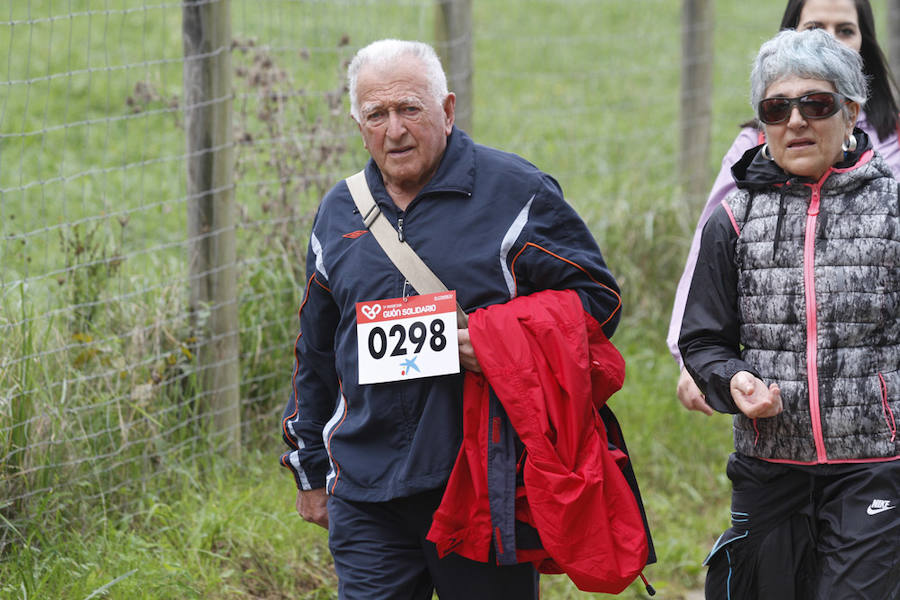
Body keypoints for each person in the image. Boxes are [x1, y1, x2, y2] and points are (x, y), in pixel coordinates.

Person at [278, 39, 631, 599]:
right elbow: (316, 352)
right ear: (358, 123)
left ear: (446, 109)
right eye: (377, 114)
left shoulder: (516, 194)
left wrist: (497, 340)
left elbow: (597, 301)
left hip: (480, 484)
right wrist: (310, 469)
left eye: (410, 109)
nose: (394, 130)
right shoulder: (336, 212)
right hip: (366, 491)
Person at [679, 28, 899, 599]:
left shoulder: (893, 210)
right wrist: (735, 381)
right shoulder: (732, 219)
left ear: (851, 112)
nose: (796, 121)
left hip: (876, 465)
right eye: (777, 109)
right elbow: (703, 341)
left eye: (816, 104)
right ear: (762, 124)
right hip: (769, 464)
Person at [668, 0, 900, 414]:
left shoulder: (892, 143)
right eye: (814, 26)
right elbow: (711, 253)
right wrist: (694, 362)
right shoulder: (755, 155)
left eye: (845, 30)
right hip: (774, 443)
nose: (828, 40)